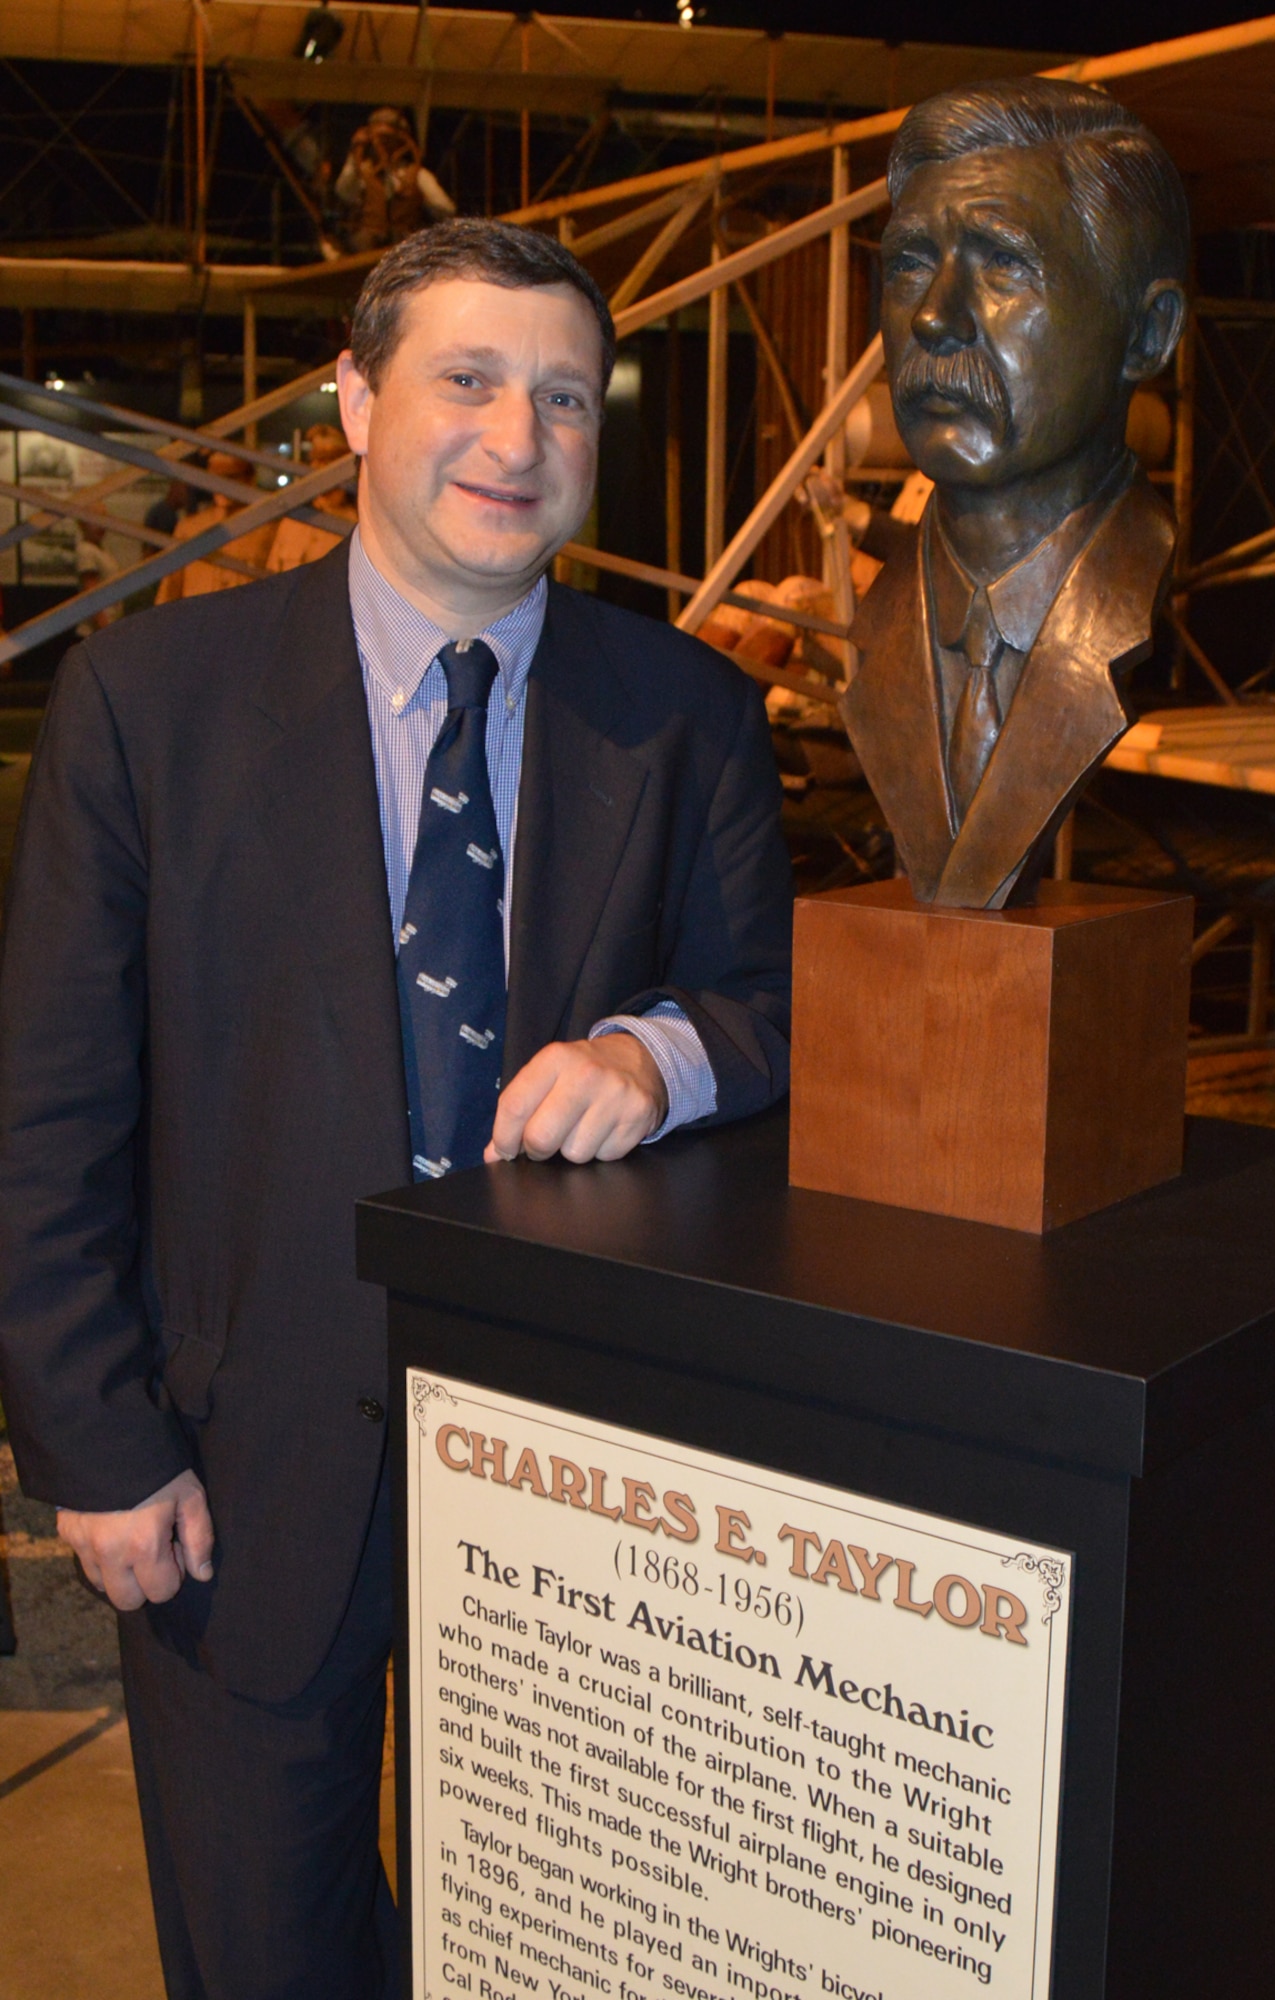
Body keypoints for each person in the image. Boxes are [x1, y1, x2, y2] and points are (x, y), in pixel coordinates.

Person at [0, 219, 790, 2000]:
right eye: (467, 379)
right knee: (264, 1952)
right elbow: (48, 1112)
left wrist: (656, 1056)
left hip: (577, 1500)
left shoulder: (687, 719)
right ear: (354, 401)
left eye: (565, 397)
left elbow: (772, 1007)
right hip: (231, 1466)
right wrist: (95, 1440)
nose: (518, 437)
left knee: (536, 1952)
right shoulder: (147, 706)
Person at [840, 77, 1189, 910]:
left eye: (1003, 263)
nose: (933, 317)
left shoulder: (1125, 604)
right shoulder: (886, 628)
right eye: (910, 263)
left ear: (1144, 334)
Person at [153, 451, 276, 602]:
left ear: (249, 479)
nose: (222, 485)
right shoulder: (190, 529)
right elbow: (170, 588)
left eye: (231, 477)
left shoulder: (268, 528)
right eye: (216, 478)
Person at [334, 106, 455, 254]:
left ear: (401, 141)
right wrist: (354, 154)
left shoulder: (418, 175)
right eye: (379, 139)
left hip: (405, 252)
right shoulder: (360, 173)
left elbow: (445, 209)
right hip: (364, 251)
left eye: (389, 139)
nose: (383, 144)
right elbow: (344, 191)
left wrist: (419, 199)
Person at [266, 422, 357, 572]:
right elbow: (273, 575)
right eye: (317, 460)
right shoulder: (293, 523)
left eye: (330, 461)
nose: (321, 468)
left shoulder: (359, 524)